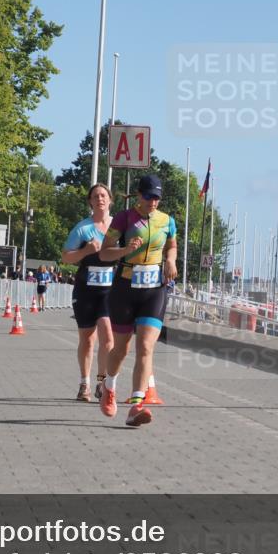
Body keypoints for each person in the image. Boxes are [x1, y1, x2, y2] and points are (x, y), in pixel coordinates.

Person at [98, 174, 177, 426]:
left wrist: (171, 260)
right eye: (149, 197)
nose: (153, 202)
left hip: (154, 290)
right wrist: (125, 250)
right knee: (121, 349)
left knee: (145, 347)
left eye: (157, 198)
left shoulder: (167, 220)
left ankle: (136, 406)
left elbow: (172, 245)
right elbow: (104, 253)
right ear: (139, 195)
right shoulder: (124, 218)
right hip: (125, 288)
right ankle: (109, 386)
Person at [61, 183, 114, 402]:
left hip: (109, 291)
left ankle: (101, 381)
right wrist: (85, 251)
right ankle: (85, 383)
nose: (100, 199)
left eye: (103, 195)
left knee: (108, 337)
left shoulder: (118, 228)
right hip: (85, 291)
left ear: (110, 200)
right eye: (95, 196)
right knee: (88, 339)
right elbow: (66, 257)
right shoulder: (83, 228)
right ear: (90, 202)